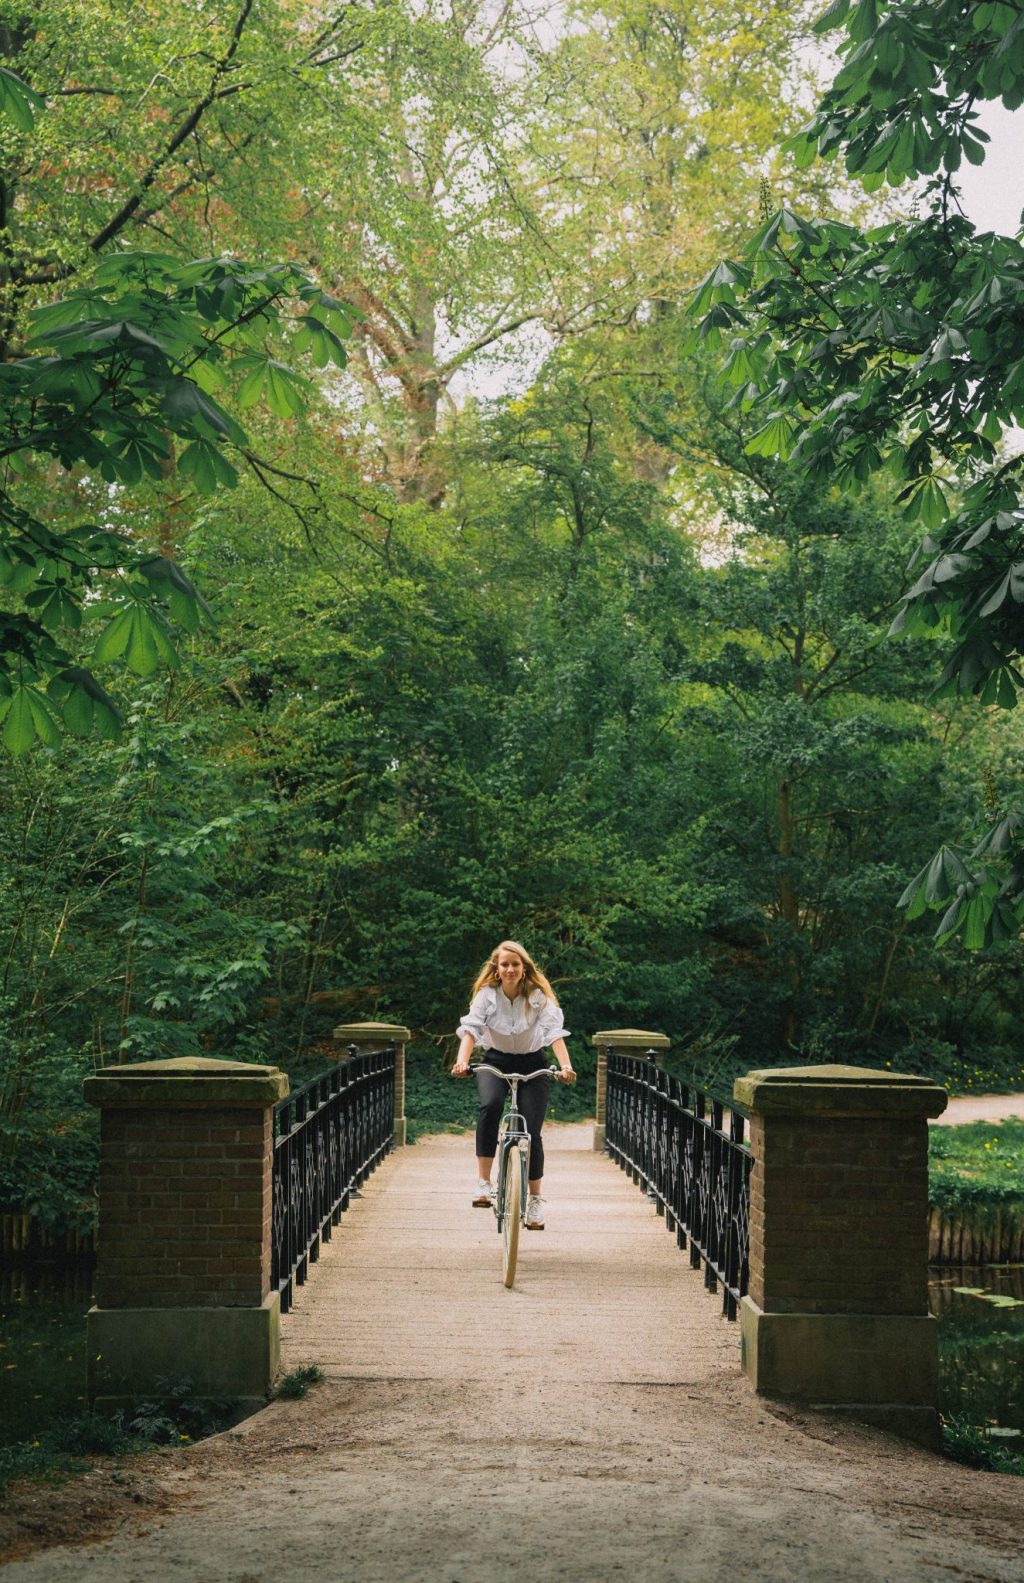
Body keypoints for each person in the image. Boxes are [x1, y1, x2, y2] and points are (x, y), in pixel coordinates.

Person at [452, 939, 575, 1230]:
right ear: (497, 969)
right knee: (490, 1105)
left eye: (515, 965)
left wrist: (566, 1066)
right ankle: (483, 1183)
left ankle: (534, 1202)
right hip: (495, 1061)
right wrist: (461, 1061)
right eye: (504, 964)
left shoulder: (536, 996)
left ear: (524, 968)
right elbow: (471, 1029)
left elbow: (553, 1033)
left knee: (532, 1131)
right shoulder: (487, 995)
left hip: (534, 1063)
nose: (509, 969)